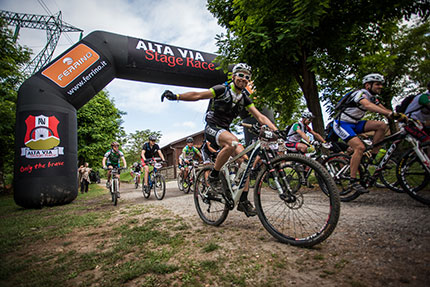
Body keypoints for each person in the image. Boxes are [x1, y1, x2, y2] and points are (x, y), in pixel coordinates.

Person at [161, 63, 278, 217]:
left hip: (225, 130)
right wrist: (176, 96)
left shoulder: (244, 97)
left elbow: (260, 116)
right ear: (234, 76)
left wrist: (277, 131)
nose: (244, 79)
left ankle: (243, 201)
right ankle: (214, 175)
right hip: (212, 127)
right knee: (232, 142)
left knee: (246, 162)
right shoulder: (221, 90)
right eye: (241, 75)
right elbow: (198, 95)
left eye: (247, 77)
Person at [332, 73, 406, 194]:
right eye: (377, 84)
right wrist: (389, 114)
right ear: (368, 85)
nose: (380, 87)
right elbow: (367, 105)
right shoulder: (360, 93)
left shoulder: (373, 98)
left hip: (355, 123)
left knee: (382, 125)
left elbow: (384, 110)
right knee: (359, 147)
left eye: (381, 84)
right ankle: (353, 180)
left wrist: (400, 117)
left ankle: (373, 155)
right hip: (342, 124)